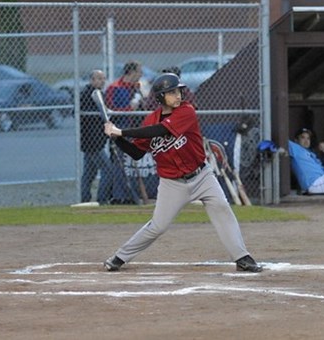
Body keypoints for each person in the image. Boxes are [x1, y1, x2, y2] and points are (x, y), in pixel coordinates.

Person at [101, 73, 262, 273]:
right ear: (160, 97)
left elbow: (160, 131)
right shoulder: (150, 119)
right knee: (158, 226)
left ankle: (242, 257)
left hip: (202, 176)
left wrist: (121, 132)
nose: (177, 95)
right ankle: (119, 257)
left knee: (222, 208)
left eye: (178, 91)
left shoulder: (187, 111)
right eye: (171, 93)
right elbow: (136, 152)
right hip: (172, 183)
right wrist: (116, 139)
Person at [105, 60, 144, 204]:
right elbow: (112, 111)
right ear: (132, 72)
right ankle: (118, 196)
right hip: (119, 131)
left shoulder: (135, 88)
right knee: (119, 164)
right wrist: (130, 109)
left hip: (133, 131)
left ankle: (131, 195)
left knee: (130, 165)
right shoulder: (114, 88)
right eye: (139, 71)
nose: (141, 74)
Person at [79, 69, 112, 204]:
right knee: (108, 170)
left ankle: (85, 199)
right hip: (92, 142)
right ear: (92, 80)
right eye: (99, 78)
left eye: (103, 78)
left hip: (96, 140)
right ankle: (102, 199)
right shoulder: (88, 94)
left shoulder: (99, 94)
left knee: (89, 173)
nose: (102, 81)